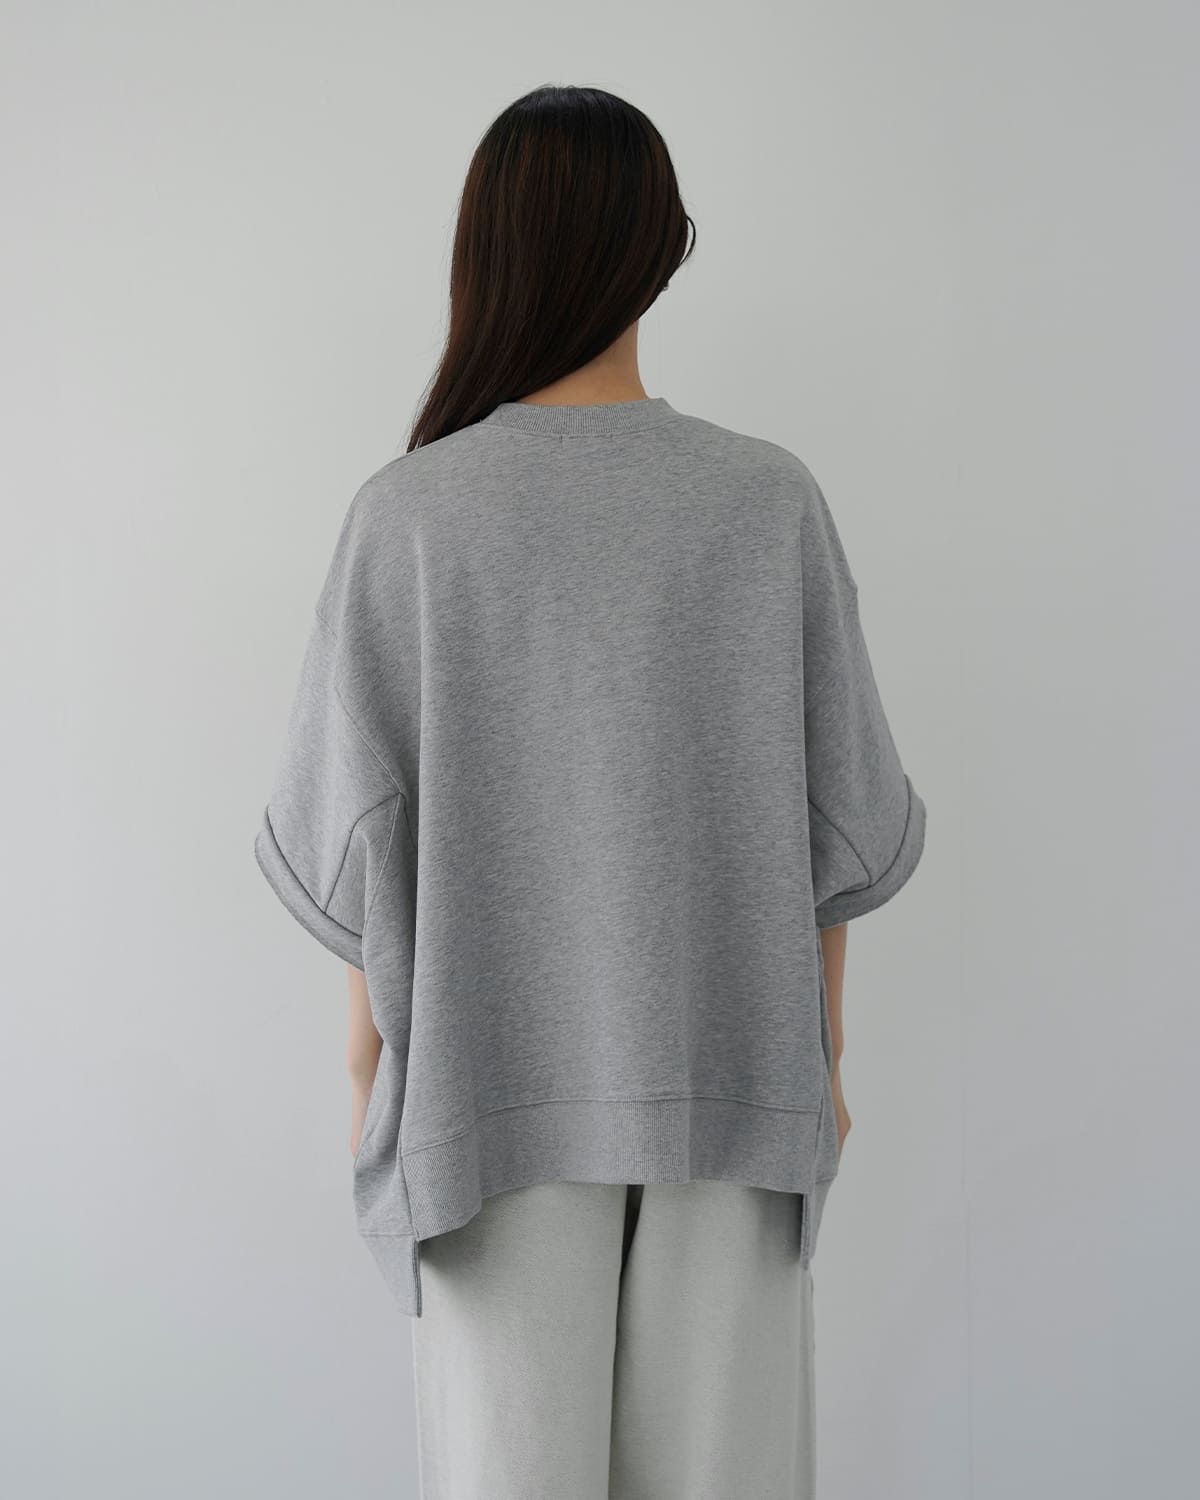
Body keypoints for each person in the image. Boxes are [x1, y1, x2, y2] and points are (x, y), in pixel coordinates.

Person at [253, 83, 927, 1500]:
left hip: (484, 1109)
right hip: (735, 1100)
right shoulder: (767, 500)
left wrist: (373, 1078)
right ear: (661, 248)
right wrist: (826, 1061)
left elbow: (353, 849)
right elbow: (842, 826)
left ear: (484, 252)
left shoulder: (410, 515)